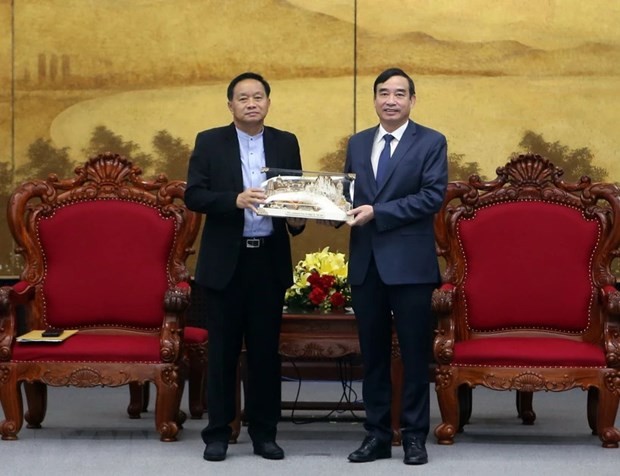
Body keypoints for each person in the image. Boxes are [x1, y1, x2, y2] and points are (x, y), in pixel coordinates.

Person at [185, 72, 305, 462]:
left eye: (258, 97)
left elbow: (296, 196)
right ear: (230, 105)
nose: (251, 103)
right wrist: (232, 200)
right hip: (225, 263)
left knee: (265, 353)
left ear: (268, 102)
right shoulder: (210, 142)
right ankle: (218, 433)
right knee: (221, 352)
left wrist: (300, 216)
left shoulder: (286, 143)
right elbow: (194, 194)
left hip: (267, 261)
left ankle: (265, 433)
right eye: (243, 98)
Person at [344, 68, 448, 465]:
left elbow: (431, 197)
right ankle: (376, 434)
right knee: (372, 356)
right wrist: (319, 206)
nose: (391, 100)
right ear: (374, 99)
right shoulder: (357, 142)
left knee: (415, 354)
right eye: (383, 93)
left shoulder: (431, 142)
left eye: (399, 94)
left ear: (412, 100)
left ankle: (415, 436)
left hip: (411, 266)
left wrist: (378, 212)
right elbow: (346, 193)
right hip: (366, 266)